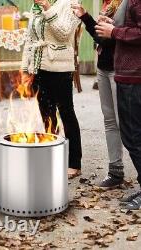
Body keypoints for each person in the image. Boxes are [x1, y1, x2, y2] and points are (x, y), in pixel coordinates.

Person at [21, 0, 82, 179]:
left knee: (66, 113)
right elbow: (30, 39)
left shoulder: (70, 3)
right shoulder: (36, 5)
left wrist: (48, 8)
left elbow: (64, 33)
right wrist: (25, 68)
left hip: (61, 69)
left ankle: (74, 163)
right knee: (46, 114)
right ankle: (54, 156)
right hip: (40, 68)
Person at [71, 0, 124, 189]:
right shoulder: (108, 3)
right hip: (103, 67)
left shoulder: (128, 4)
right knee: (110, 121)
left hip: (121, 68)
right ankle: (115, 171)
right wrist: (85, 17)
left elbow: (115, 35)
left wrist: (112, 28)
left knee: (125, 123)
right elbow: (100, 36)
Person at [95, 0, 141, 209]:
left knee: (134, 137)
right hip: (126, 76)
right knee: (133, 136)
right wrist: (111, 26)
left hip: (135, 77)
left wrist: (114, 31)